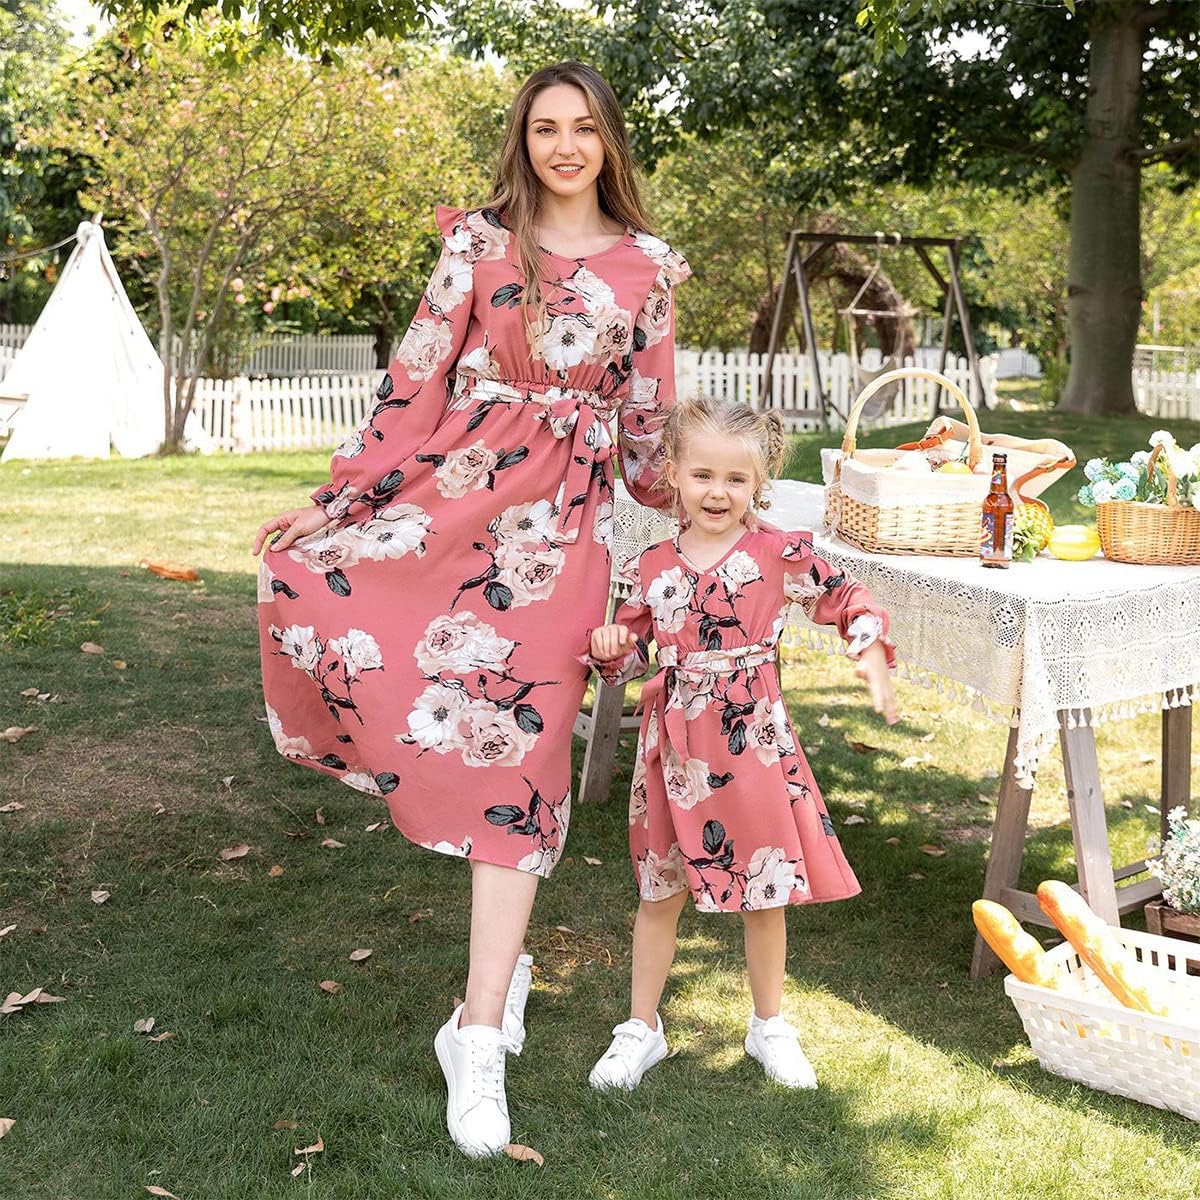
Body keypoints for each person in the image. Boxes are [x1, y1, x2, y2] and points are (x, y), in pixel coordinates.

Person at [250, 61, 690, 1158]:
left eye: (583, 127)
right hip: (451, 505)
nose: (564, 146)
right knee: (318, 590)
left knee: (523, 772)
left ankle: (478, 1033)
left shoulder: (649, 270)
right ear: (522, 141)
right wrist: (337, 500)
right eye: (544, 128)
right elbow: (412, 383)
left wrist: (704, 516)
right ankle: (487, 1012)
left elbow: (649, 431)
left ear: (610, 141)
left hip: (562, 546)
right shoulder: (479, 246)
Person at [581, 395, 897, 1091]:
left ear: (760, 481)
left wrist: (868, 643)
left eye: (735, 479)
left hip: (751, 744)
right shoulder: (653, 564)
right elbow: (630, 652)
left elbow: (846, 598)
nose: (717, 493)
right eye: (702, 475)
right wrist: (612, 646)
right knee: (659, 889)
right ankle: (641, 1027)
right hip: (672, 753)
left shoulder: (778, 553)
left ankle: (769, 1025)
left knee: (764, 891)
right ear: (672, 471)